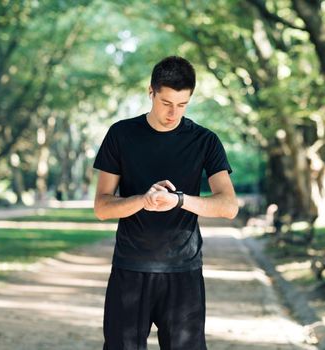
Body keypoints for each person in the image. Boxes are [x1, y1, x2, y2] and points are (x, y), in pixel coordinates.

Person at [93, 56, 239, 350]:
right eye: (166, 103)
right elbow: (102, 207)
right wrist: (142, 200)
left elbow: (228, 206)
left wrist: (179, 200)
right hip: (130, 268)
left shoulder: (205, 141)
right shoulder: (121, 134)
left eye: (182, 105)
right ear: (151, 92)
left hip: (183, 271)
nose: (174, 113)